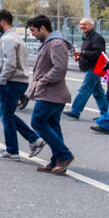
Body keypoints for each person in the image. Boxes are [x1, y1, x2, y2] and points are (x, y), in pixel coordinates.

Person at [0, 9, 45, 161]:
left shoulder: (8, 39)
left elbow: (9, 63)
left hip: (11, 81)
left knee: (6, 116)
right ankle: (33, 140)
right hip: (16, 81)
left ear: (2, 22)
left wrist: (1, 79)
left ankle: (13, 150)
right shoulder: (15, 37)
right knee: (7, 115)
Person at [25, 15, 75, 174]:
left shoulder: (56, 43)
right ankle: (56, 160)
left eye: (33, 30)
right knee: (53, 126)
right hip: (51, 93)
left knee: (38, 122)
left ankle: (64, 155)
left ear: (42, 28)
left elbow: (59, 68)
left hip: (51, 93)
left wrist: (43, 81)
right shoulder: (50, 43)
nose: (32, 34)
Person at [64, 17, 108, 120]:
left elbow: (98, 54)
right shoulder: (87, 37)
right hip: (90, 68)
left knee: (84, 90)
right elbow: (90, 53)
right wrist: (80, 57)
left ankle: (75, 111)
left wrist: (82, 53)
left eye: (85, 24)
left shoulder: (96, 38)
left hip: (93, 69)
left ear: (92, 26)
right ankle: (106, 113)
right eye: (81, 24)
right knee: (98, 93)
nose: (82, 26)